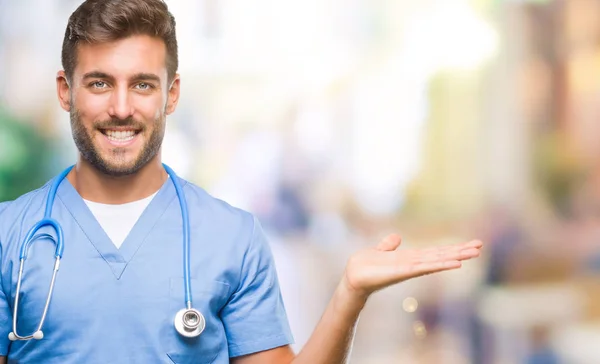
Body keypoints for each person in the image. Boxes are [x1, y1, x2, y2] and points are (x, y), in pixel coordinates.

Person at [0, 0, 483, 363]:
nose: (122, 107)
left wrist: (348, 296)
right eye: (100, 82)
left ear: (171, 95)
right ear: (66, 91)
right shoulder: (9, 236)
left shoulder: (232, 238)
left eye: (143, 84)